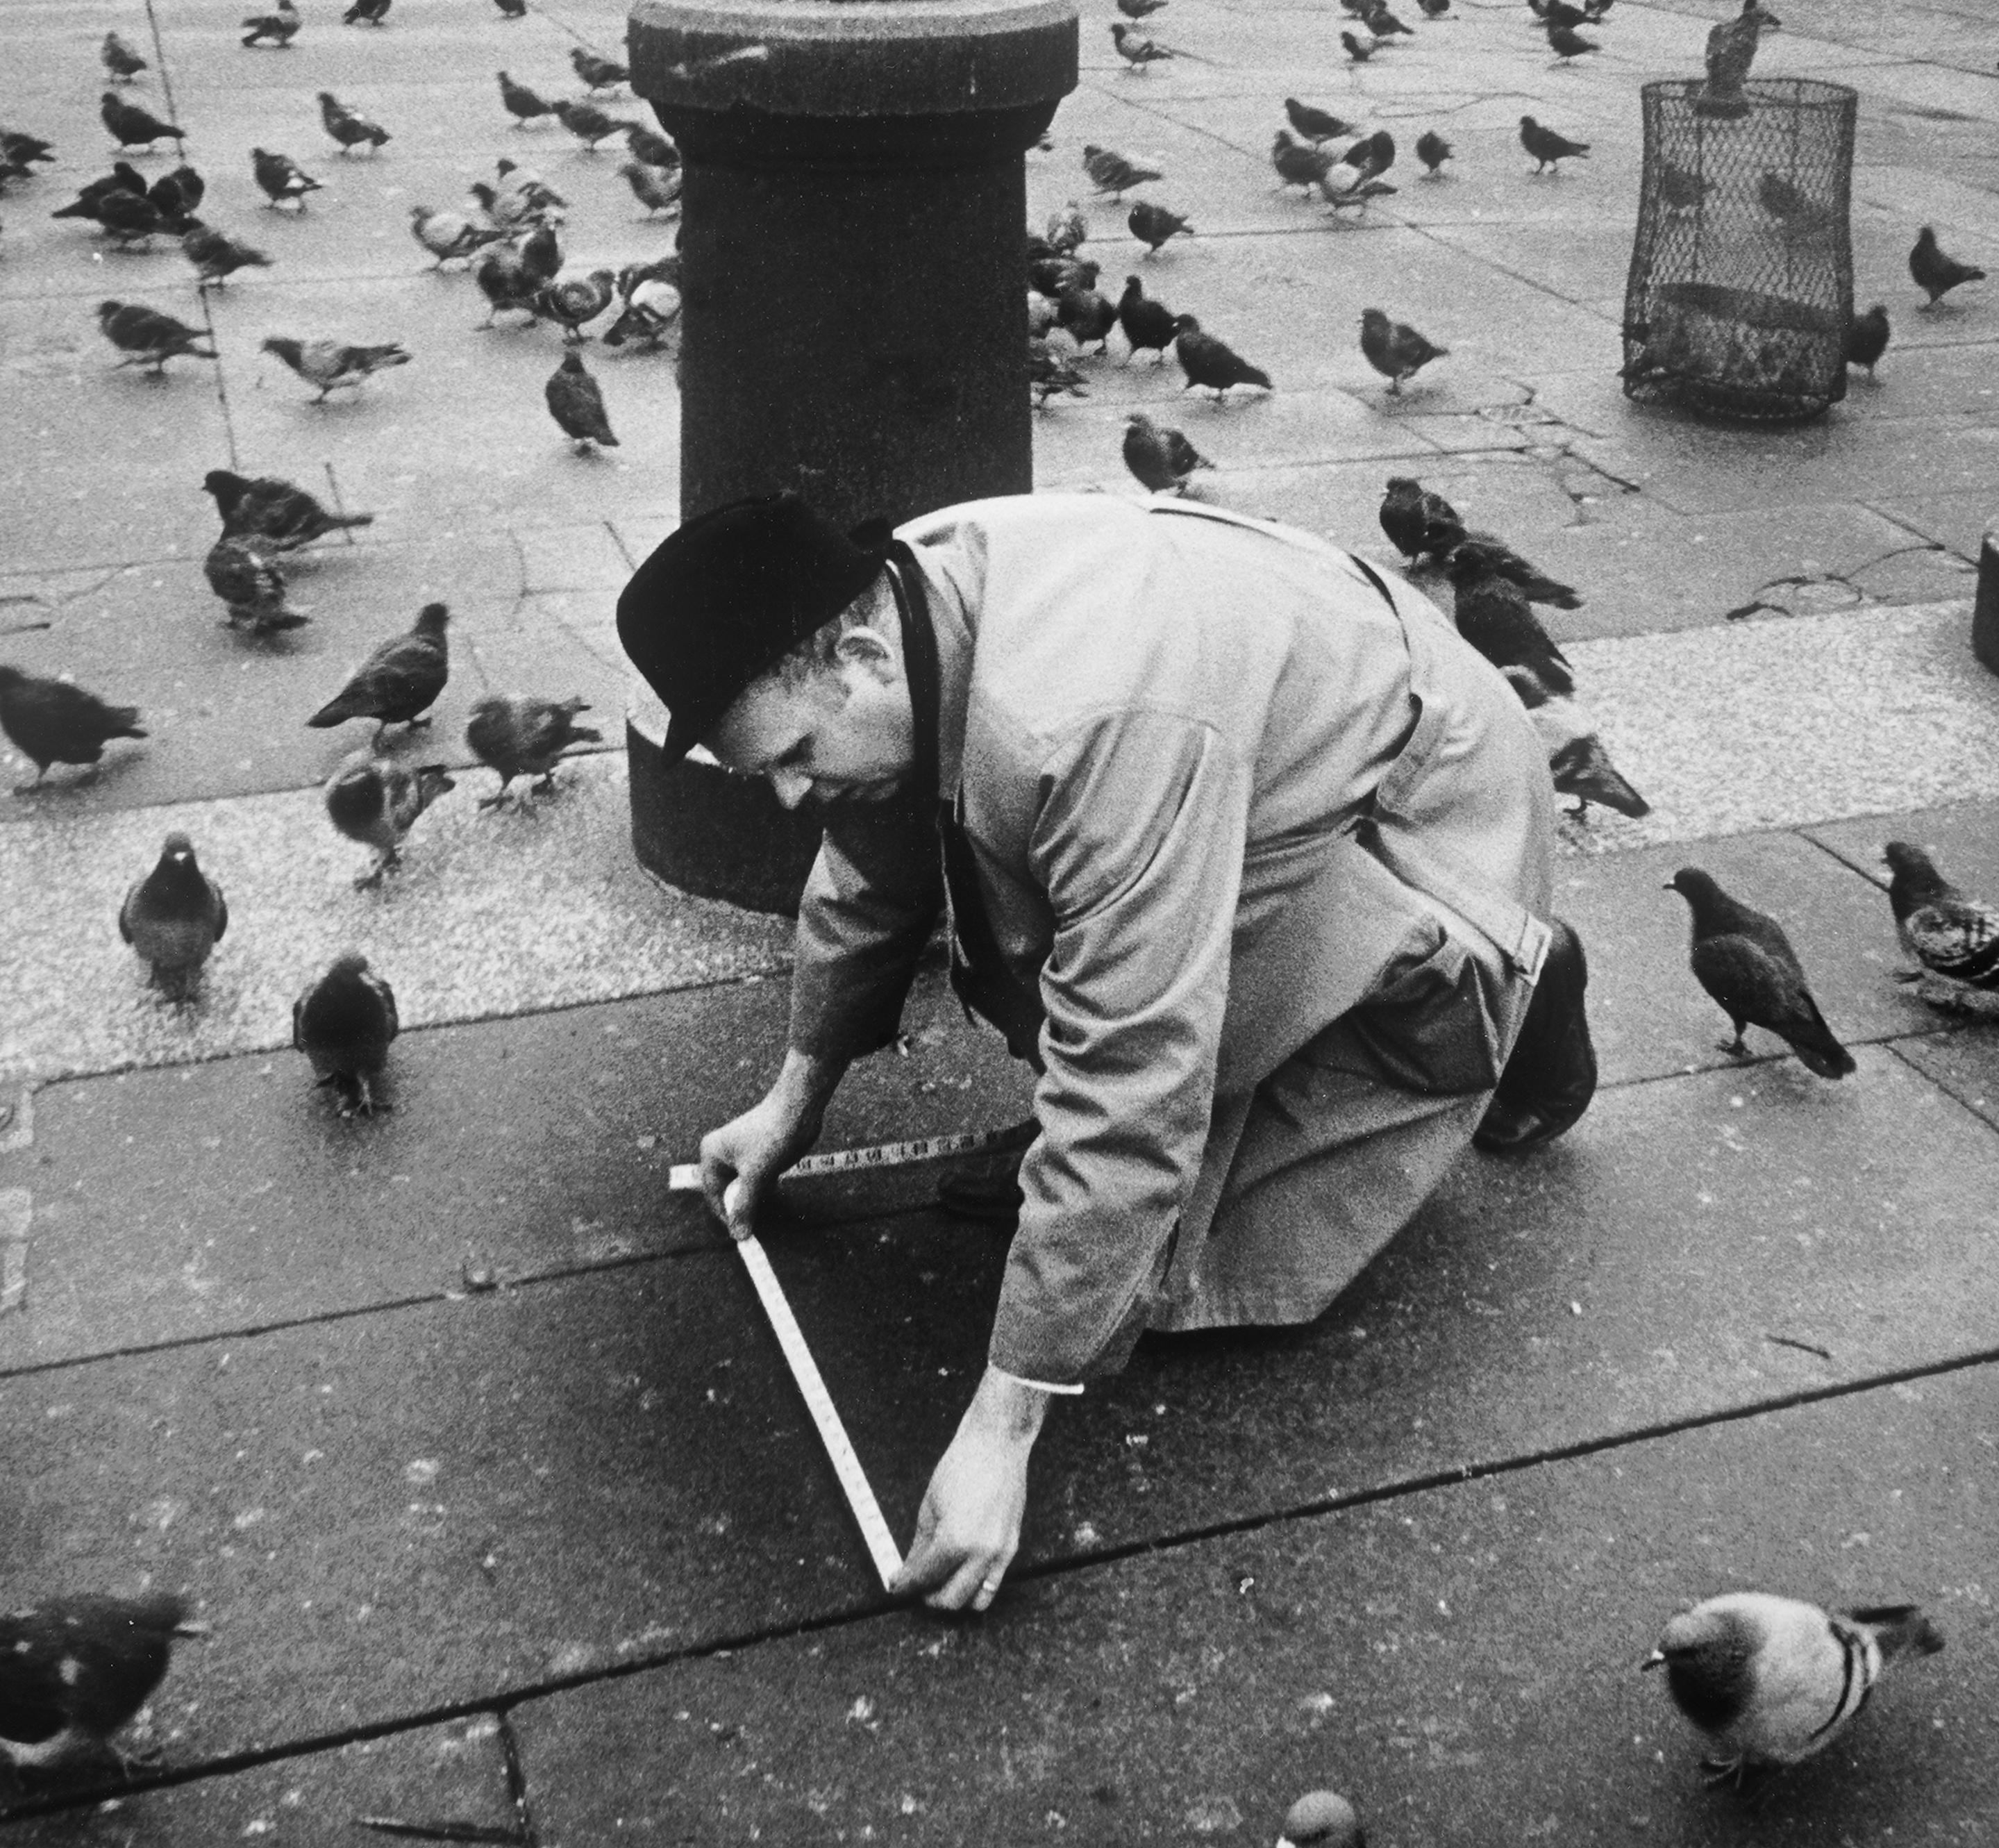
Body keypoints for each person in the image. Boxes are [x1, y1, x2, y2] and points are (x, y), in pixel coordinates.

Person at [621, 490, 1598, 1614]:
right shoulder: (902, 611)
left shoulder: (1082, 714)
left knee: (1189, 1266)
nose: (795, 795)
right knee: (1081, 1051)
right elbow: (868, 856)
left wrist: (1004, 1423)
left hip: (1428, 807)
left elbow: (1131, 1071)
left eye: (794, 755)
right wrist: (795, 1094)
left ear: (860, 654)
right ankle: (1105, 1197)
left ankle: (1515, 976)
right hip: (1247, 746)